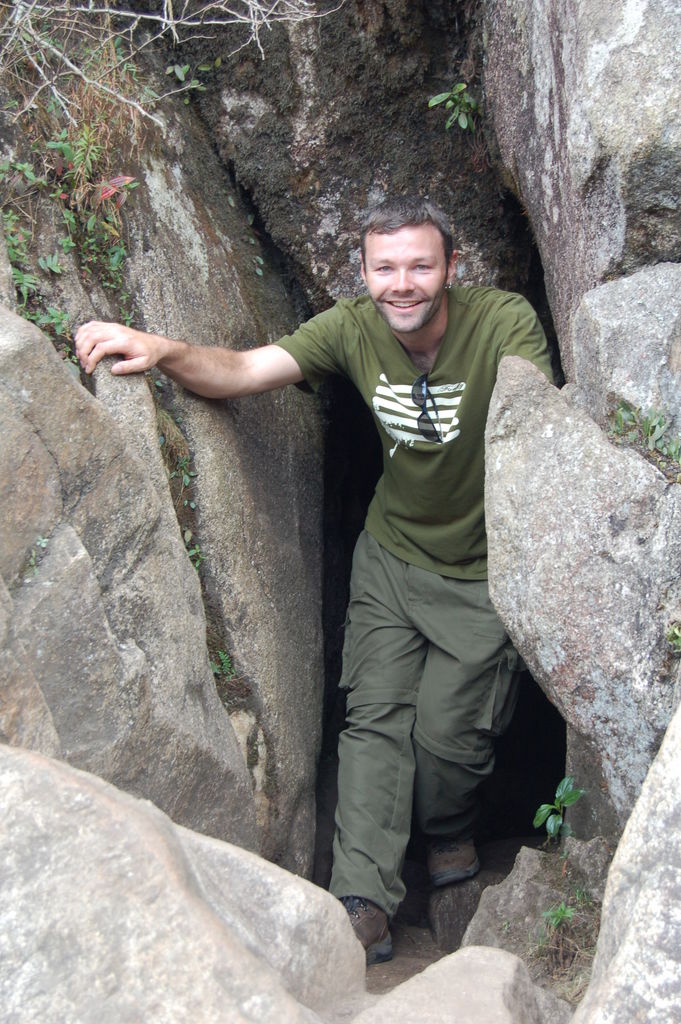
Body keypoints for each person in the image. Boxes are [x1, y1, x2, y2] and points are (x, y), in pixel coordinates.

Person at [75, 196, 552, 967]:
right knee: (372, 722)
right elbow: (243, 370)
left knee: (449, 742)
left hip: (481, 570)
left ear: (450, 270)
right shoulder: (350, 328)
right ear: (363, 273)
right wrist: (160, 347)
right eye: (385, 267)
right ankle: (362, 899)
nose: (403, 283)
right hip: (392, 558)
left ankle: (446, 831)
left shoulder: (501, 325)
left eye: (420, 266)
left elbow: (537, 424)